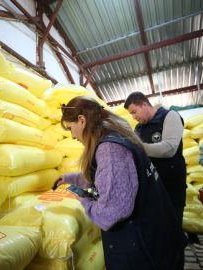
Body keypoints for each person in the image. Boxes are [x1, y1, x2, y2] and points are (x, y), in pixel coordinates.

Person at [53, 96, 187, 270]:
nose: (72, 136)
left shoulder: (109, 149)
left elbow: (110, 213)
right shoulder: (116, 137)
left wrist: (85, 201)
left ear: (82, 119)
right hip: (153, 238)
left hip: (142, 250)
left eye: (71, 128)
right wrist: (71, 178)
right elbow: (108, 174)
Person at [124, 92, 186, 225]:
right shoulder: (139, 128)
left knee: (172, 226)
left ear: (145, 105)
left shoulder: (170, 116)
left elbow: (168, 149)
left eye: (134, 111)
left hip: (171, 185)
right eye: (131, 114)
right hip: (151, 186)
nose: (134, 117)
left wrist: (138, 147)